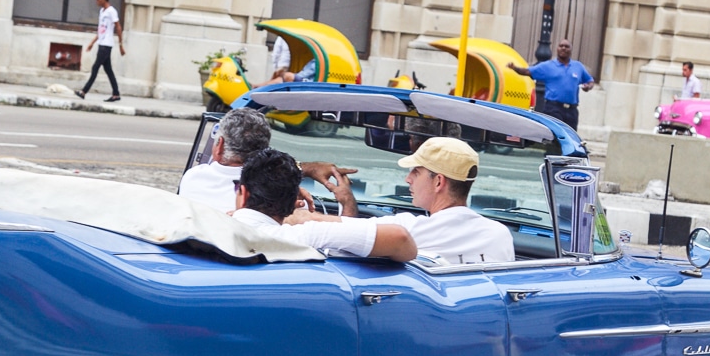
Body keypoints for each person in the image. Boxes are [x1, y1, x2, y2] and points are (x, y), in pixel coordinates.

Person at [300, 136, 514, 266]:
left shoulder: (407, 229)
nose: (407, 178)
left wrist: (292, 213)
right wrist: (348, 204)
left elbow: (335, 235)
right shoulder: (500, 235)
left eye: (415, 172)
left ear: (438, 182)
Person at [235, 148, 416, 262]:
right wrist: (309, 219)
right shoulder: (302, 235)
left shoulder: (212, 223)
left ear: (243, 194)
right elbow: (400, 238)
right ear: (293, 205)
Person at [179, 108, 355, 212]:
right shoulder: (280, 199)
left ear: (219, 146)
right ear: (265, 150)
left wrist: (305, 168)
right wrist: (348, 202)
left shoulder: (193, 178)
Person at [508, 39, 595, 131]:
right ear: (557, 49)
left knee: (571, 136)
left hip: (571, 111)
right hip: (553, 108)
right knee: (555, 135)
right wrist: (514, 68)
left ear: (571, 50)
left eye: (567, 46)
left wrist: (588, 87)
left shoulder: (578, 66)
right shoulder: (548, 66)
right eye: (561, 46)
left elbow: (590, 81)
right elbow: (527, 71)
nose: (563, 48)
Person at [75, 0, 124, 102]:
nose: (96, 1)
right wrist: (92, 43)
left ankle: (83, 91)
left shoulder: (112, 11)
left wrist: (121, 45)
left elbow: (118, 27)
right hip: (101, 43)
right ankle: (116, 94)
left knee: (95, 67)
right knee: (108, 70)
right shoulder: (102, 11)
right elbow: (101, 30)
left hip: (106, 45)